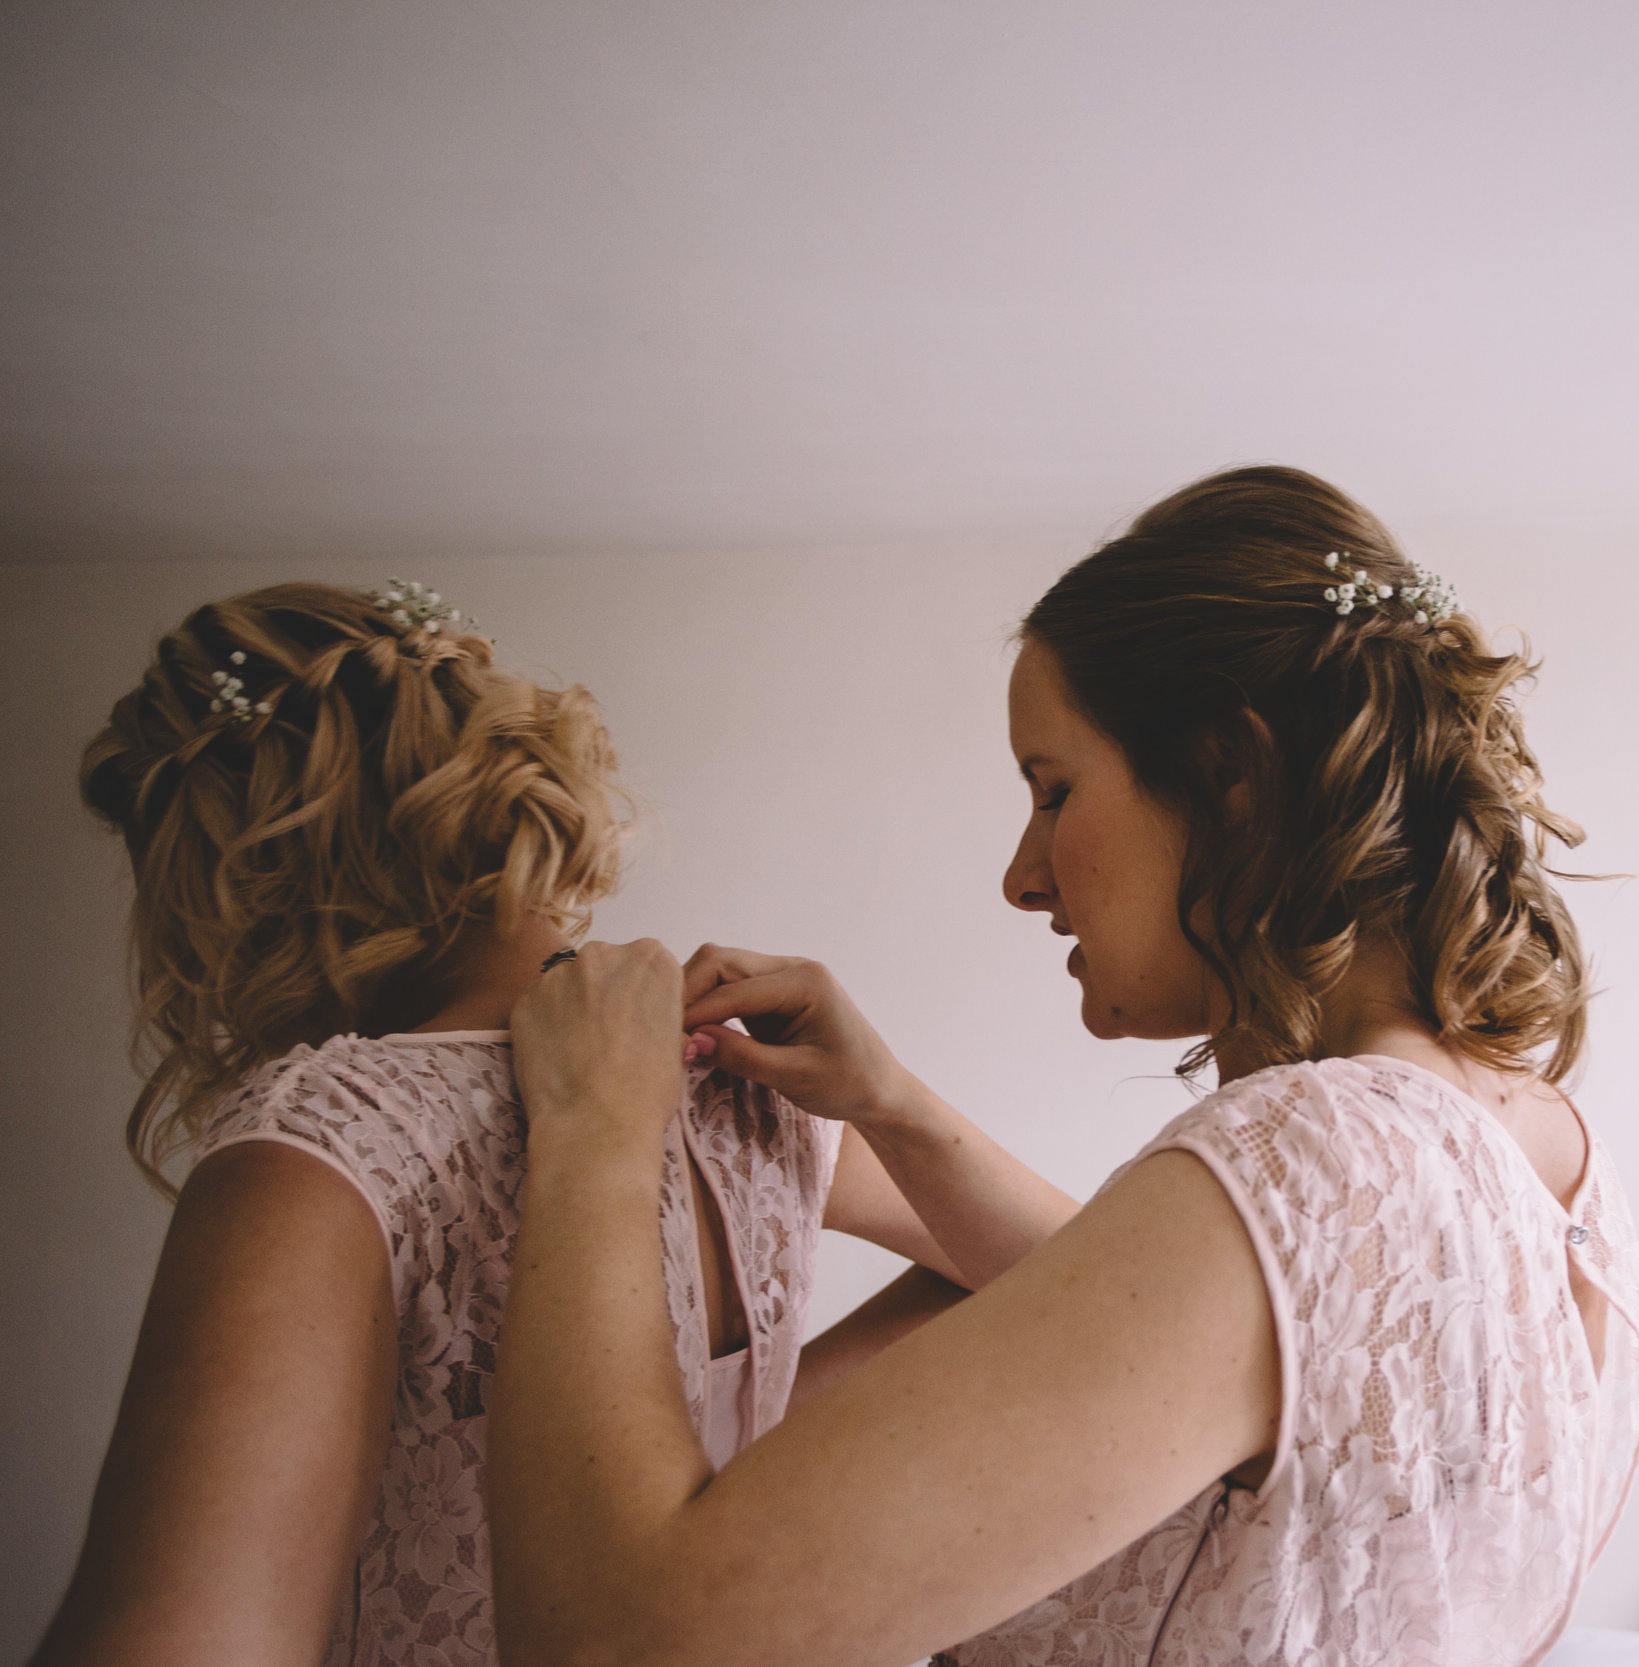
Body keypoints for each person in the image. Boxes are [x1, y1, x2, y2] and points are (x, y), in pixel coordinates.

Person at [493, 466, 1639, 1667]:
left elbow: (617, 1638)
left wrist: (596, 1130)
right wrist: (890, 1106)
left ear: (1229, 772)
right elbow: (1179, 1348)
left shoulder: (1321, 1150)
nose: (1023, 872)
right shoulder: (1542, 1144)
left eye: (1054, 790)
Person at [36, 581, 1073, 1667]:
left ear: (227, 864)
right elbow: (1057, 1273)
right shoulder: (740, 1078)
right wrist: (733, 1440)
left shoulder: (323, 1144)